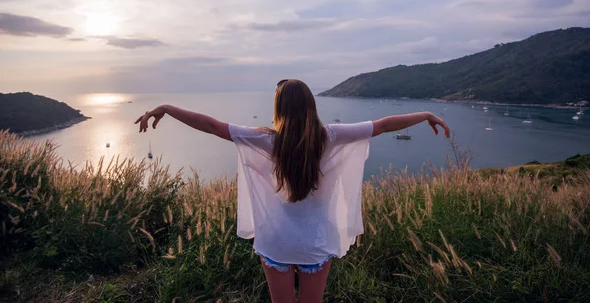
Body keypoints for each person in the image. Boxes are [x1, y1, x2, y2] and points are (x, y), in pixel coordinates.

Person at [135, 79, 450, 303]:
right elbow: (382, 125)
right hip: (315, 242)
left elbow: (213, 125)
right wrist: (424, 114)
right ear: (311, 106)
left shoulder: (265, 140)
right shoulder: (330, 137)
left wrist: (165, 108)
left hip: (276, 243)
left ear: (279, 109)